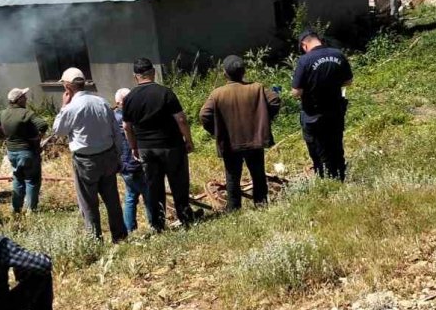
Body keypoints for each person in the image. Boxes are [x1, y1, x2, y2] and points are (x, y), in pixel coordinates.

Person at [50, 68, 127, 242]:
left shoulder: (71, 108)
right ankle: (120, 236)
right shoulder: (101, 102)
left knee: (88, 202)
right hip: (108, 156)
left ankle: (95, 239)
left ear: (68, 87)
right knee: (112, 199)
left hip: (86, 161)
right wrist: (119, 155)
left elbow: (58, 131)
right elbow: (115, 130)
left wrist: (63, 106)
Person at [121, 58, 194, 231]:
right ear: (153, 73)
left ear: (135, 77)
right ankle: (184, 218)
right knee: (179, 183)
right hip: (171, 146)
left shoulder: (129, 98)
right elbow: (181, 119)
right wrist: (188, 140)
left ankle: (157, 223)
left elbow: (126, 126)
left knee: (154, 186)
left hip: (146, 148)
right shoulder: (165, 93)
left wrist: (134, 147)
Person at [200, 56, 280, 211]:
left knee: (232, 177)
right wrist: (263, 119)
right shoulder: (257, 88)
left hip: (231, 142)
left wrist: (217, 131)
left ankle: (234, 208)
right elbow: (275, 101)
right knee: (258, 174)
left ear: (225, 74)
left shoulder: (217, 94)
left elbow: (204, 115)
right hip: (254, 140)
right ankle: (261, 205)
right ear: (244, 72)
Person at [291, 29, 353, 181]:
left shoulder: (305, 61)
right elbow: (348, 81)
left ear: (304, 45)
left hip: (313, 115)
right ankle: (339, 176)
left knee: (317, 148)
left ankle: (324, 178)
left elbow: (296, 91)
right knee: (336, 144)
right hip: (335, 111)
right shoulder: (338, 54)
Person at [0, 88, 48, 213]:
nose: (26, 98)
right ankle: (31, 210)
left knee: (18, 179)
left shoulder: (2, 113)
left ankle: (16, 208)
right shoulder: (27, 113)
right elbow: (43, 125)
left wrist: (1, 134)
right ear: (18, 99)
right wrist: (37, 137)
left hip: (12, 152)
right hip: (28, 152)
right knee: (31, 180)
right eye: (24, 96)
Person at [113, 88, 155, 231]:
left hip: (123, 164)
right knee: (148, 194)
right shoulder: (131, 118)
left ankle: (130, 228)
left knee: (131, 196)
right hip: (135, 163)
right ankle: (155, 224)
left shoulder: (112, 118)